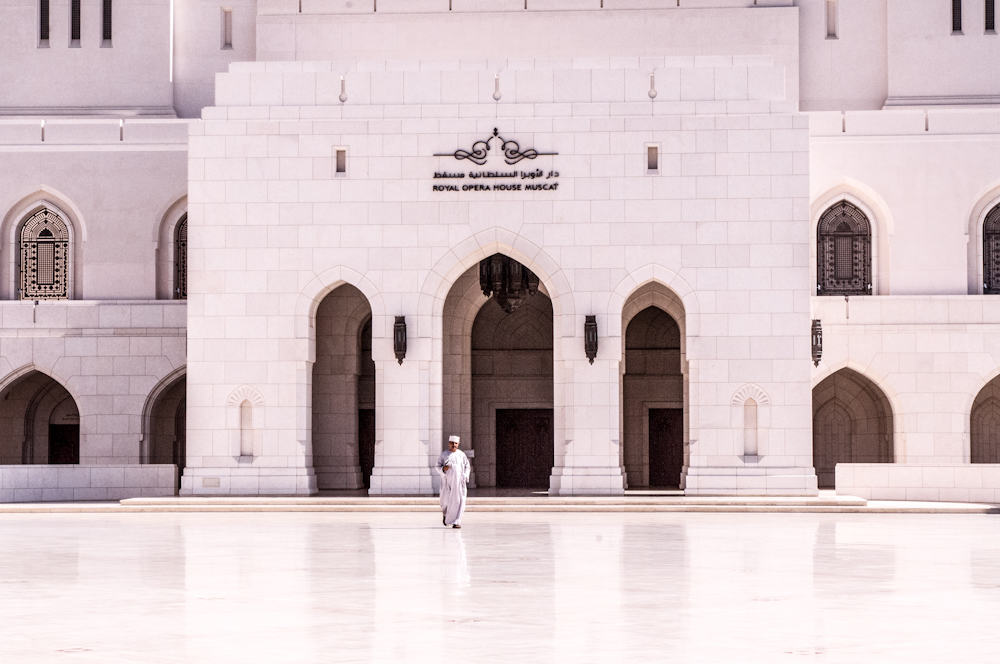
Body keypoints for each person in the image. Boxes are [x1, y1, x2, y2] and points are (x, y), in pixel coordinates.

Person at [436, 434, 470, 528]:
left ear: (458, 444)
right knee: (445, 502)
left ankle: (457, 521)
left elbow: (467, 466)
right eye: (452, 443)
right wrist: (443, 469)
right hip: (447, 483)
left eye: (456, 443)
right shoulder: (444, 454)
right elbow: (437, 466)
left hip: (459, 483)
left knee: (460, 501)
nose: (454, 445)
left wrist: (465, 475)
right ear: (449, 444)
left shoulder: (461, 454)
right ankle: (446, 516)